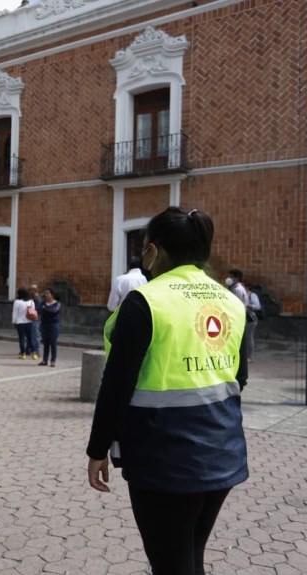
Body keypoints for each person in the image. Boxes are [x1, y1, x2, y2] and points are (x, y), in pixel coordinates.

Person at [87, 207, 248, 575]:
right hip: (222, 452)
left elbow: (116, 385)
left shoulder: (145, 302)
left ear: (155, 250)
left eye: (145, 248)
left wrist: (97, 449)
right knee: (189, 555)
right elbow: (240, 376)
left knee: (170, 563)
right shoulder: (229, 301)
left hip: (164, 459)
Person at [37, 288, 62, 367]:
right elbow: (39, 310)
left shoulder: (57, 303)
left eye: (47, 293)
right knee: (46, 342)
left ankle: (53, 361)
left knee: (53, 342)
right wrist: (46, 309)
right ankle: (45, 360)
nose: (46, 295)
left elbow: (54, 311)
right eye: (45, 293)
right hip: (44, 324)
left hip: (53, 325)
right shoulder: (43, 303)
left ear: (52, 295)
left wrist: (45, 309)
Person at [11, 287, 37, 360]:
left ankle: (23, 354)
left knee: (21, 339)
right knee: (30, 338)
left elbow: (15, 313)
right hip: (29, 322)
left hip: (20, 323)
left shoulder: (17, 302)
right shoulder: (31, 301)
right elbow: (33, 311)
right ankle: (34, 353)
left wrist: (13, 322)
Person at [28, 284, 42, 360]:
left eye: (30, 290)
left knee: (35, 336)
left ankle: (36, 351)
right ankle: (31, 350)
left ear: (34, 290)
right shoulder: (34, 298)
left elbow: (38, 310)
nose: (29, 291)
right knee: (33, 335)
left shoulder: (37, 299)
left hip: (35, 319)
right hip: (34, 319)